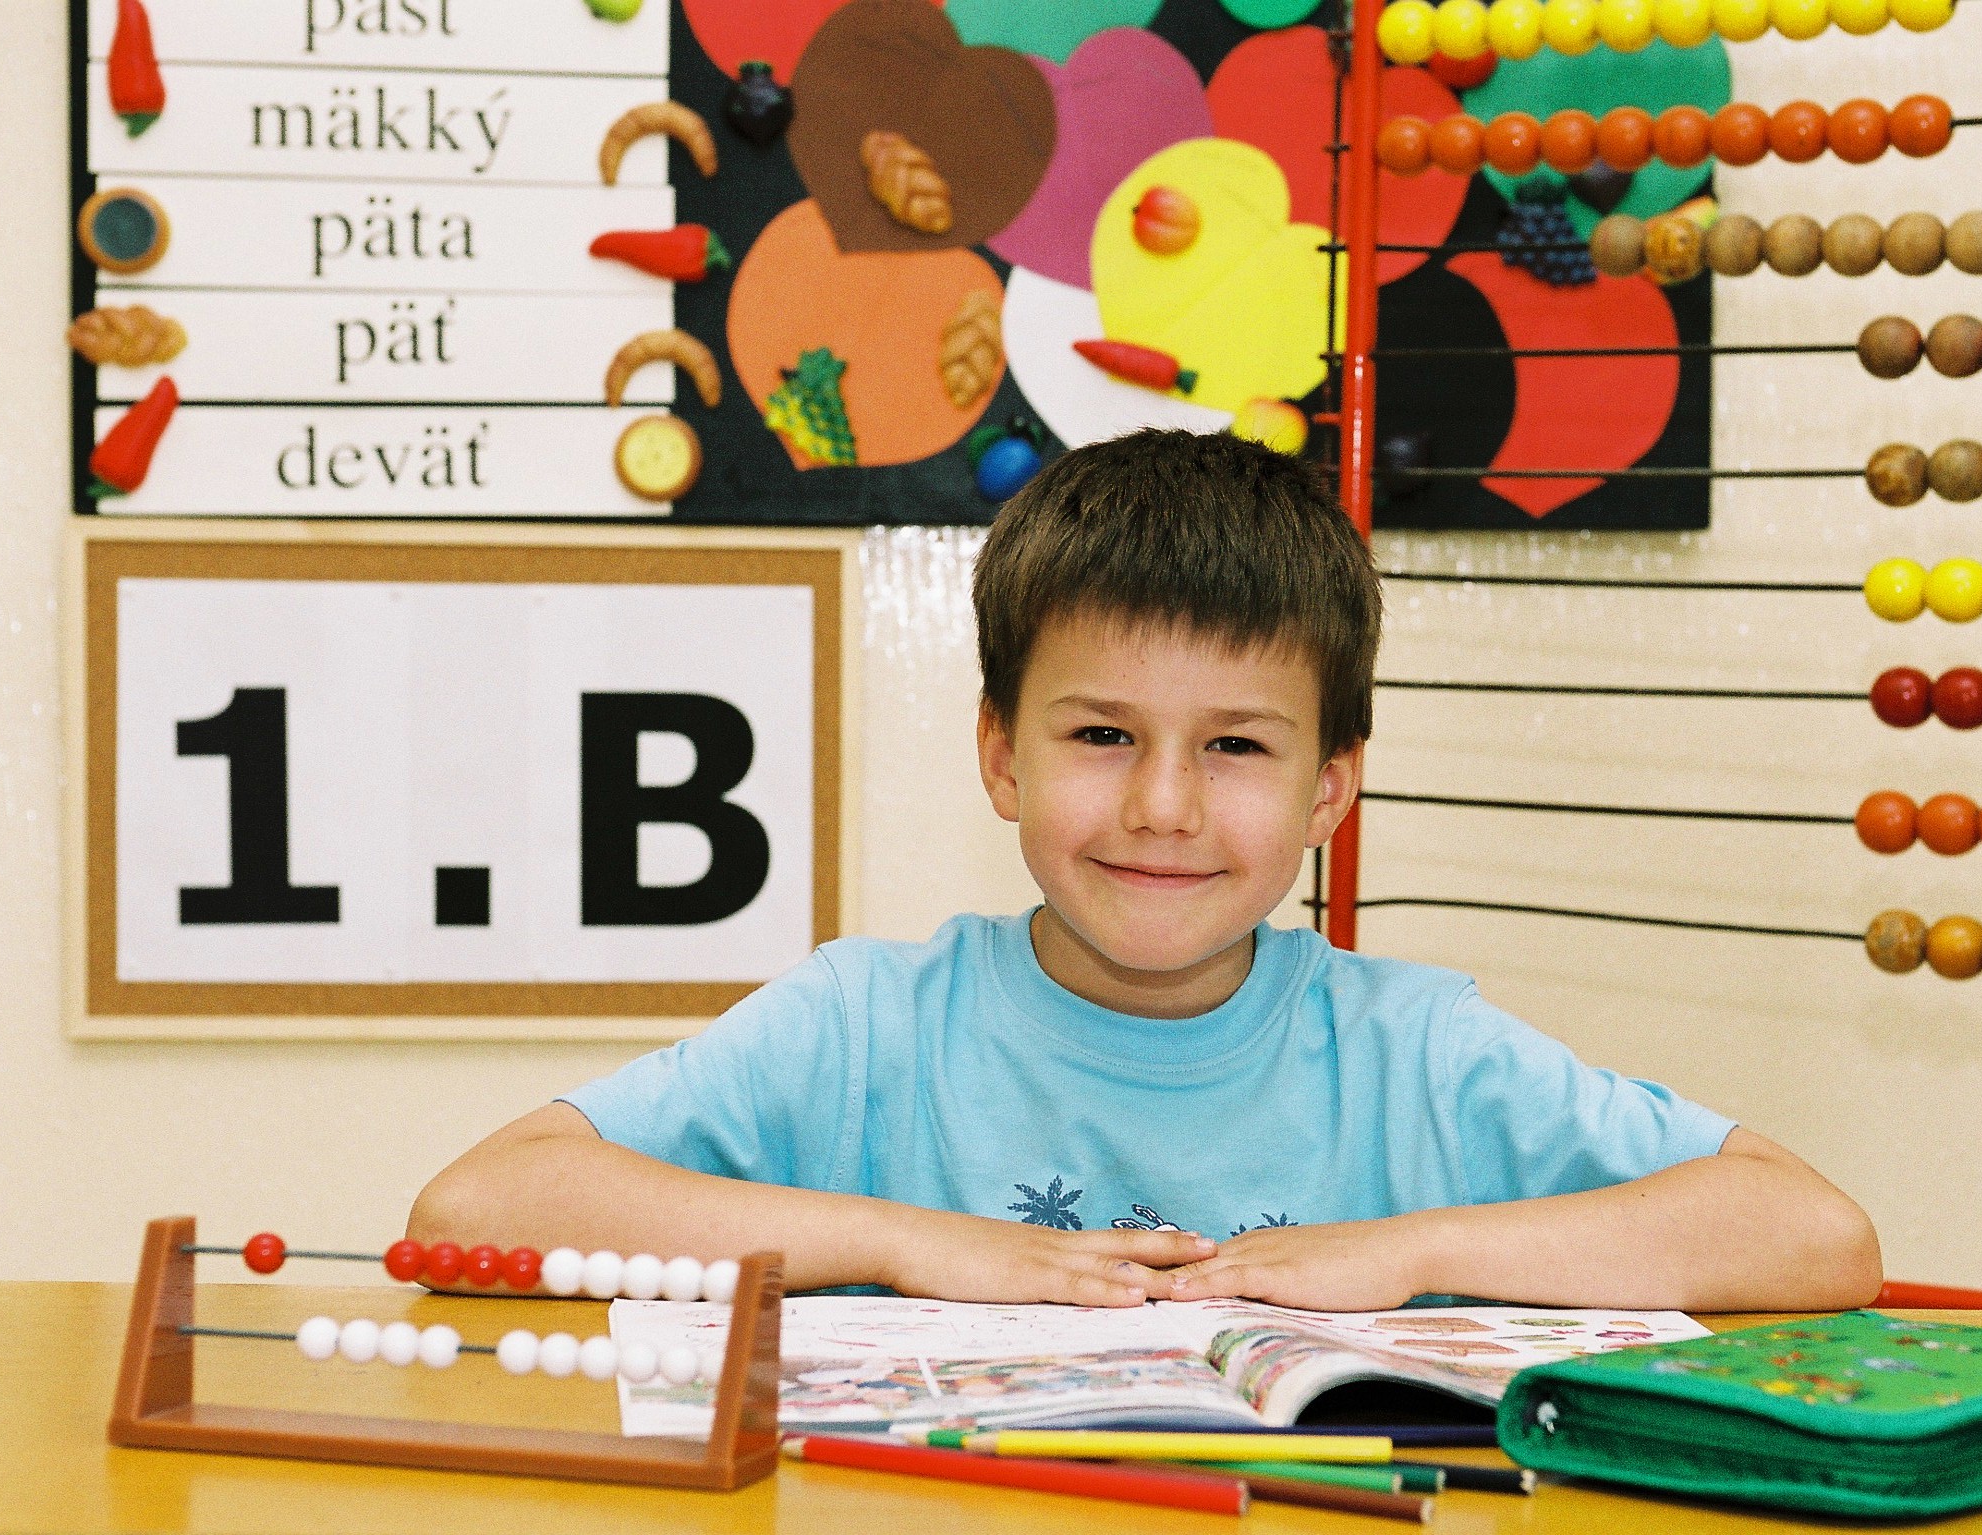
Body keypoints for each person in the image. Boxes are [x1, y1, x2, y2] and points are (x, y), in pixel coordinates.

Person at [411, 429, 1881, 1312]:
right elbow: (481, 1205)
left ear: (1329, 788)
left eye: (1236, 746)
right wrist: (917, 1246)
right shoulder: (866, 1026)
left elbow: (1815, 1236)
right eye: (1102, 734)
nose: (1163, 807)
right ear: (1002, 755)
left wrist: (1407, 1251)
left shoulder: (1417, 1052)